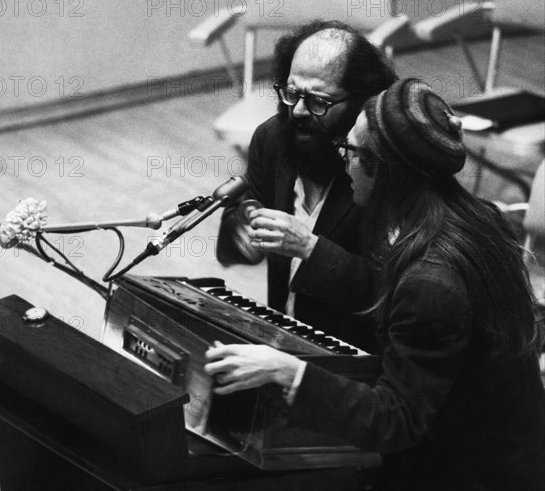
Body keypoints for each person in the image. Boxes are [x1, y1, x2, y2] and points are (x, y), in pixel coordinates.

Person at [206, 78, 545, 490]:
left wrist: (289, 371)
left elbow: (394, 420)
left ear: (384, 171)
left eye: (349, 150)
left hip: (468, 470)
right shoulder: (478, 217)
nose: (342, 161)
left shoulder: (431, 283)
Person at [217, 20, 397, 353]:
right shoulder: (273, 139)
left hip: (353, 363)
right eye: (291, 93)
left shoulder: (380, 167)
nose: (298, 111)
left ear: (360, 103)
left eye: (318, 101)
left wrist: (309, 248)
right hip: (281, 337)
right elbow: (234, 239)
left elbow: (389, 293)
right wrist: (242, 229)